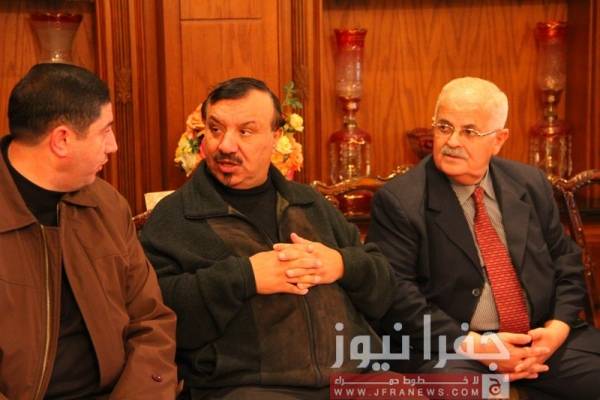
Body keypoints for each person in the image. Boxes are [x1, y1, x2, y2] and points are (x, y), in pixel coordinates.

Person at [140, 77, 393, 399]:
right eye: (215, 129)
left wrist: (342, 264)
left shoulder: (310, 203)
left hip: (355, 377)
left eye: (245, 131)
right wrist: (244, 277)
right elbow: (158, 316)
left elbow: (385, 290)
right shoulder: (177, 216)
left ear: (275, 137)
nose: (225, 145)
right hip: (249, 387)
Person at [367, 77, 600, 398]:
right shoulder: (400, 201)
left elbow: (566, 261)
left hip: (540, 341)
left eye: (469, 132)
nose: (452, 141)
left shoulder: (530, 184)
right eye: (444, 127)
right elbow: (398, 296)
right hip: (454, 349)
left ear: (499, 139)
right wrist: (478, 345)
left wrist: (557, 330)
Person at [0, 63, 178, 399]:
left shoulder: (106, 204)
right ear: (62, 140)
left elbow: (151, 322)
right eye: (105, 130)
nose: (113, 145)